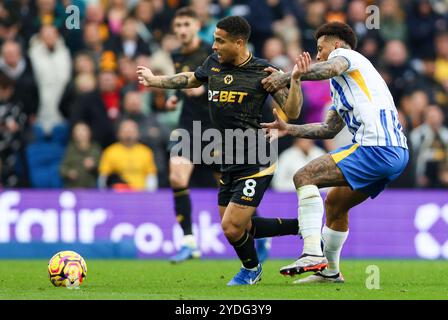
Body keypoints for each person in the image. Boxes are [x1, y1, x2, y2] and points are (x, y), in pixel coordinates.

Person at [137, 16, 300, 286]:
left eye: (219, 41)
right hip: (228, 157)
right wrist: (155, 81)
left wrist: (292, 81)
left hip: (256, 157)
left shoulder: (264, 72)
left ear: (238, 43)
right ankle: (302, 226)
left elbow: (293, 111)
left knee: (230, 226)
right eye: (214, 39)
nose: (214, 46)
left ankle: (251, 270)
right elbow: (191, 78)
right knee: (238, 226)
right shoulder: (213, 64)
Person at [261, 22, 409, 284]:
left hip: (376, 147)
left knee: (303, 176)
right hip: (395, 153)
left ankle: (311, 253)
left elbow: (329, 66)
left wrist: (287, 76)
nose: (318, 55)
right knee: (335, 205)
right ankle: (330, 271)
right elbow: (328, 129)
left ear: (337, 45)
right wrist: (289, 128)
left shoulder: (348, 57)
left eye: (321, 48)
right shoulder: (343, 85)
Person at [164, 7, 218, 263]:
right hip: (187, 126)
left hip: (216, 127)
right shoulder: (176, 54)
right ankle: (188, 242)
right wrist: (174, 97)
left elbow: (226, 82)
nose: (182, 30)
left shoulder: (213, 52)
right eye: (178, 26)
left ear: (197, 25)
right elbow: (180, 82)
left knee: (230, 190)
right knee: (176, 177)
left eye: (186, 24)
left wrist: (204, 89)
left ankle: (259, 236)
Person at [98, 119, 157, 191]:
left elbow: (151, 176)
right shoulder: (110, 152)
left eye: (131, 131)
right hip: (117, 196)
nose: (128, 134)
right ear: (118, 133)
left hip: (141, 195)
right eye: (125, 131)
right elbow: (103, 177)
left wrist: (150, 196)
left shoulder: (146, 152)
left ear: (138, 133)